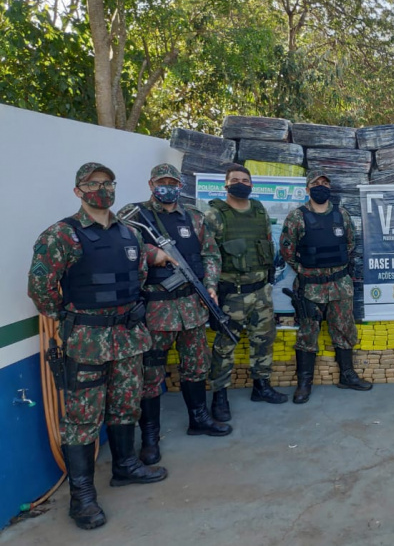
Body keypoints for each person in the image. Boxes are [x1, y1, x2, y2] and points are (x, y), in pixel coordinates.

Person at [27, 163, 168, 530]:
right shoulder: (61, 235)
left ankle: (125, 466)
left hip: (128, 337)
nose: (102, 189)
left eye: (108, 183)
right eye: (93, 184)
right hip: (87, 342)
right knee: (82, 419)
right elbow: (40, 289)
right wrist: (69, 320)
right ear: (78, 191)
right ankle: (83, 497)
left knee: (125, 404)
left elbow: (137, 278)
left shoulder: (130, 234)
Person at [117, 164, 231, 465]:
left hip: (192, 305)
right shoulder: (133, 215)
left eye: (172, 182)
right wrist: (153, 256)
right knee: (151, 374)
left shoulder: (194, 216)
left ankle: (199, 419)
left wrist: (210, 287)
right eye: (161, 182)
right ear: (151, 183)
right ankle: (150, 437)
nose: (167, 186)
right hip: (156, 309)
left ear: (180, 185)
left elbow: (210, 254)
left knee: (196, 365)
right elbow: (120, 250)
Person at [280, 170, 371, 404]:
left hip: (340, 285)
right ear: (307, 189)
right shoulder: (296, 217)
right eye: (316, 183)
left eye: (325, 183)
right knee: (307, 334)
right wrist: (306, 270)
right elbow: (287, 251)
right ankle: (304, 383)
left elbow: (350, 243)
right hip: (310, 286)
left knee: (344, 330)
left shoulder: (341, 215)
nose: (321, 186)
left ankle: (347, 376)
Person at [205, 164, 287, 420]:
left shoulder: (260, 211)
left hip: (261, 291)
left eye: (245, 180)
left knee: (263, 341)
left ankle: (261, 387)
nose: (240, 183)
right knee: (224, 347)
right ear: (226, 185)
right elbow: (208, 255)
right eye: (235, 179)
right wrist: (211, 287)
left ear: (251, 185)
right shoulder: (215, 215)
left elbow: (266, 244)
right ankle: (220, 396)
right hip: (232, 294)